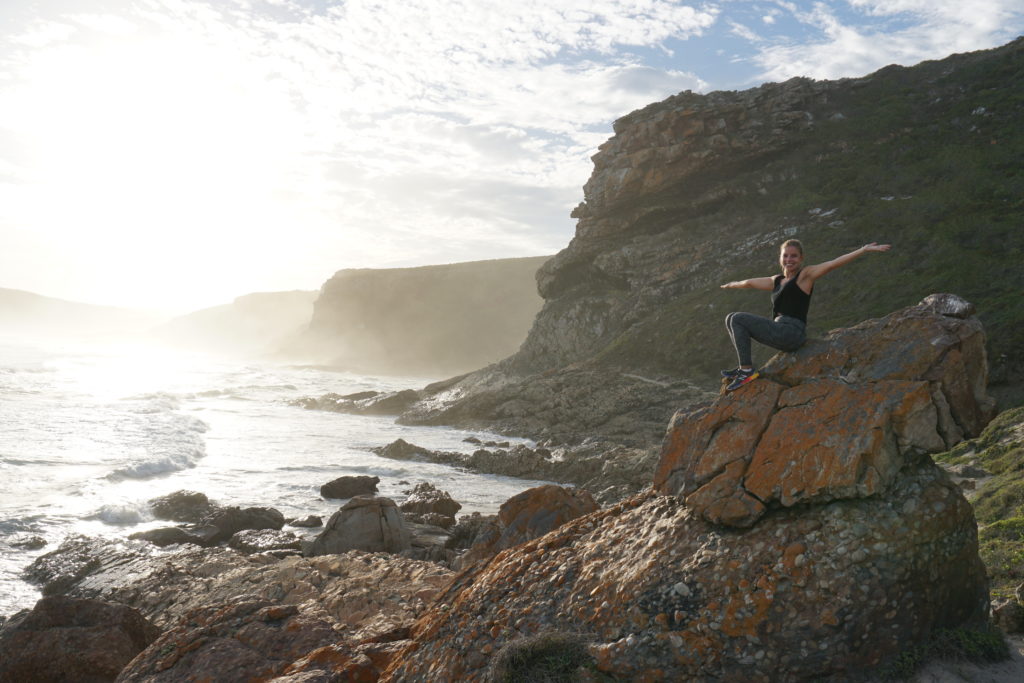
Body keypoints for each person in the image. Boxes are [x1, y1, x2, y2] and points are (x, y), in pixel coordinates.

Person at [719, 239, 891, 391]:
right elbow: (749, 283)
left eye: (793, 256)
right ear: (780, 258)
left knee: (737, 318)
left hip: (792, 332)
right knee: (730, 318)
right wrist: (731, 284)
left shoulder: (805, 276)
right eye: (785, 256)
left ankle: (747, 371)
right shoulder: (777, 280)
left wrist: (863, 250)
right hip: (780, 329)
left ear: (801, 258)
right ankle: (744, 369)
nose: (789, 260)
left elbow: (832, 264)